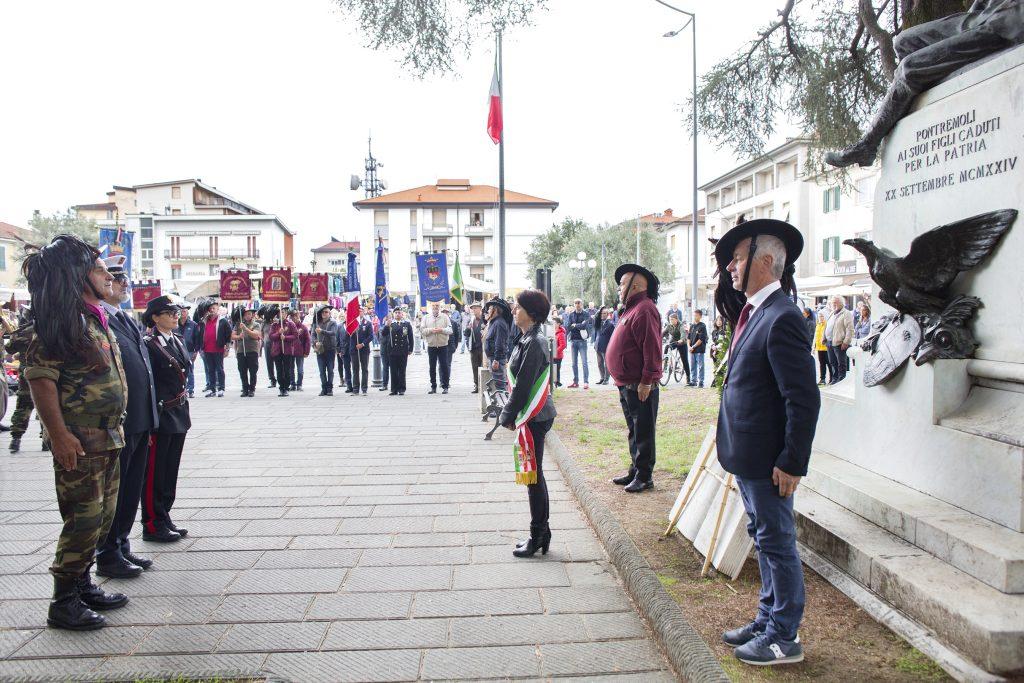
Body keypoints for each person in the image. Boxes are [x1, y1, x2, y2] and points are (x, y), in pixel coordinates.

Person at [713, 217, 820, 666]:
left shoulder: (783, 317)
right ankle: (767, 618)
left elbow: (803, 398)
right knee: (763, 538)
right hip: (748, 457)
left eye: (738, 258)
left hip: (770, 461)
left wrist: (793, 461)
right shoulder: (755, 312)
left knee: (777, 543)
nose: (731, 269)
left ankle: (784, 636)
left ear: (768, 261)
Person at [22, 234, 130, 631]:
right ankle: (63, 602)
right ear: (77, 274)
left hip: (108, 436)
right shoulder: (61, 322)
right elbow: (40, 378)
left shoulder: (94, 318)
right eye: (100, 269)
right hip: (80, 440)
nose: (107, 276)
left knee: (102, 518)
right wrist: (60, 434)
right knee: (82, 521)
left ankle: (83, 584)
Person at [827, 0, 1024, 168]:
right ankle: (921, 101)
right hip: (986, 14)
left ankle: (867, 145)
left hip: (1009, 24)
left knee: (909, 68)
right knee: (903, 42)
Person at [95, 254, 161, 574]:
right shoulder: (97, 319)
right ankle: (107, 552)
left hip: (139, 419)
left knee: (132, 487)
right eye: (117, 277)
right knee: (115, 491)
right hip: (119, 421)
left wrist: (151, 417)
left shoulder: (122, 318)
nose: (123, 284)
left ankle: (121, 543)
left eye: (126, 279)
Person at [499, 289, 557, 558]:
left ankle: (538, 535)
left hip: (536, 417)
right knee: (535, 476)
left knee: (534, 477)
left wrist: (506, 416)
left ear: (531, 313)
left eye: (518, 307)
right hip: (532, 416)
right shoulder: (526, 338)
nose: (513, 311)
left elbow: (523, 386)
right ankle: (541, 533)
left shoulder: (535, 342)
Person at [140, 296, 193, 548]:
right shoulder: (149, 345)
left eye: (176, 312)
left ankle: (165, 515)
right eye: (169, 312)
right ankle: (152, 522)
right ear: (154, 317)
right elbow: (146, 384)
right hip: (161, 415)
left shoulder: (177, 340)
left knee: (170, 469)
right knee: (155, 472)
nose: (175, 315)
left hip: (178, 413)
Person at [607, 264, 663, 493]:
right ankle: (635, 469)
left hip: (639, 385)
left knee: (644, 431)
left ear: (636, 286)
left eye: (622, 284)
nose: (619, 288)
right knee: (635, 429)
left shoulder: (645, 309)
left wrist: (647, 380)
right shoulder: (632, 308)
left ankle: (644, 476)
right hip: (626, 383)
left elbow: (652, 348)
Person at [8, 309, 45, 453]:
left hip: (27, 376)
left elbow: (9, 348)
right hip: (45, 375)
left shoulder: (24, 331)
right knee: (47, 407)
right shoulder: (48, 330)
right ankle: (45, 441)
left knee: (23, 407)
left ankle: (15, 439)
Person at [192, 299, 230, 397]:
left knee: (219, 369)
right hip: (207, 349)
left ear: (217, 309)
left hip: (218, 349)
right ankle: (212, 389)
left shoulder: (223, 321)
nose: (212, 310)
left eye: (214, 308)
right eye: (210, 309)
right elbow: (200, 333)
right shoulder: (204, 321)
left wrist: (227, 348)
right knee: (210, 369)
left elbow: (228, 335)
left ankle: (221, 388)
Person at [420, 301, 452, 394]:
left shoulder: (445, 317)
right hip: (431, 345)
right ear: (431, 307)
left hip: (443, 345)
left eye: (437, 306)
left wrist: (441, 330)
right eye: (433, 306)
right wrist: (431, 330)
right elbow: (422, 330)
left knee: (444, 366)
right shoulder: (426, 317)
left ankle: (445, 386)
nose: (435, 307)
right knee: (432, 367)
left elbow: (450, 330)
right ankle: (433, 386)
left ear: (440, 307)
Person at [231, 306, 262, 397]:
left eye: (249, 314)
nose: (248, 316)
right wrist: (239, 337)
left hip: (252, 350)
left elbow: (256, 336)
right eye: (246, 314)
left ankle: (252, 389)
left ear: (252, 315)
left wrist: (246, 329)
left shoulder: (256, 324)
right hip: (241, 350)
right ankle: (245, 388)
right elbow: (232, 336)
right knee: (242, 371)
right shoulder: (238, 324)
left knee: (253, 371)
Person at [483, 298, 512, 393]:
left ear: (495, 310)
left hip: (497, 360)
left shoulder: (499, 323)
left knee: (500, 385)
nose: (488, 310)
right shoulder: (494, 322)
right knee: (498, 384)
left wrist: (496, 360)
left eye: (490, 308)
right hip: (493, 358)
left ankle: (503, 405)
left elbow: (500, 343)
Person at [383, 307, 414, 395]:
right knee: (393, 371)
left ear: (402, 314)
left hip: (403, 351)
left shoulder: (406, 324)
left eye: (399, 312)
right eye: (396, 312)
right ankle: (394, 389)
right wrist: (386, 326)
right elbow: (383, 334)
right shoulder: (390, 324)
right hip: (392, 351)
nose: (397, 314)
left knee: (402, 370)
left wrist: (410, 348)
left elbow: (410, 337)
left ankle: (402, 389)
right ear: (393, 314)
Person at [825, 296, 854, 384]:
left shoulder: (846, 313)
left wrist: (846, 342)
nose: (834, 304)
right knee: (832, 362)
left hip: (840, 342)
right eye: (833, 303)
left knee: (841, 363)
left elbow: (850, 329)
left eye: (836, 302)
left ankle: (841, 380)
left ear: (841, 303)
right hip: (830, 342)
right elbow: (827, 326)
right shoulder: (832, 313)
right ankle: (834, 379)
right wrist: (824, 338)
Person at [564, 298, 591, 389]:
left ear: (582, 304)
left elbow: (584, 325)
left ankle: (586, 382)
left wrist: (575, 325)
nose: (577, 304)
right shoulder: (571, 314)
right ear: (574, 304)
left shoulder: (586, 314)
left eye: (579, 303)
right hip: (573, 341)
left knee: (584, 362)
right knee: (573, 363)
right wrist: (577, 325)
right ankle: (575, 382)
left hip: (582, 341)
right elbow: (568, 327)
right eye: (575, 303)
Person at [268, 308, 296, 397]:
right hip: (277, 350)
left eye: (283, 312)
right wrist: (278, 333)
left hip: (287, 350)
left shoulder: (291, 324)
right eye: (280, 313)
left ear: (286, 314)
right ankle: (281, 388)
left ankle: (286, 387)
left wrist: (286, 338)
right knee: (279, 370)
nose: (282, 314)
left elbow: (295, 335)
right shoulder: (274, 325)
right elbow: (271, 336)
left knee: (287, 370)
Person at [312, 305, 338, 396]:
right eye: (323, 312)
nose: (324, 314)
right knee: (322, 371)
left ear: (329, 313)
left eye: (326, 312)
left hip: (330, 349)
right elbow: (312, 335)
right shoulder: (316, 322)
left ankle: (330, 388)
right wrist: (315, 342)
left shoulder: (333, 323)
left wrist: (322, 331)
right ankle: (324, 388)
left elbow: (333, 333)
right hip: (320, 350)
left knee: (330, 370)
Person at [349, 307, 373, 395]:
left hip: (364, 349)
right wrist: (352, 332)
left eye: (361, 311)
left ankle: (364, 389)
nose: (359, 312)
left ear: (364, 312)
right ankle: (355, 389)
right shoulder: (352, 323)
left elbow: (371, 336)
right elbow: (348, 336)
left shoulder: (368, 323)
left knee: (364, 369)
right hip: (354, 349)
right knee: (355, 369)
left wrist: (362, 344)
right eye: (357, 311)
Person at [662, 313, 690, 386]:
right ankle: (666, 362)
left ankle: (688, 377)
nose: (670, 321)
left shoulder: (681, 325)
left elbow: (683, 333)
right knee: (667, 346)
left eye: (672, 319)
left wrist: (682, 339)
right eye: (670, 319)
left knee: (685, 360)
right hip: (674, 341)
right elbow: (663, 333)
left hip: (681, 343)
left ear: (676, 319)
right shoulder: (669, 326)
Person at [176, 308, 199, 397]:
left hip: (189, 350)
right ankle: (182, 390)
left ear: (187, 312)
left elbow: (197, 338)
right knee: (179, 371)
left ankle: (190, 389)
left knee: (189, 371)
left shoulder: (193, 324)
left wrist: (196, 351)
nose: (182, 313)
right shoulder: (175, 324)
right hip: (177, 350)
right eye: (181, 311)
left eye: (184, 311)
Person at [464, 302, 484, 393]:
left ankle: (483, 385)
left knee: (483, 367)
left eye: (476, 308)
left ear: (480, 309)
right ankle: (476, 385)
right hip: (474, 348)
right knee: (475, 367)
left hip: (483, 348)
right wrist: (468, 328)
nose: (474, 310)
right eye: (473, 308)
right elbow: (466, 334)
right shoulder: (470, 320)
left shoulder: (485, 319)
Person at [289, 310, 310, 391]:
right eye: (293, 316)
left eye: (296, 316)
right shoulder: (289, 326)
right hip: (290, 351)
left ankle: (299, 384)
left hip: (300, 351)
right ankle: (292, 384)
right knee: (291, 369)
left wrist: (306, 351)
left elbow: (307, 340)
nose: (294, 318)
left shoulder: (303, 327)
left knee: (300, 369)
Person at [688, 309, 709, 388]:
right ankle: (693, 381)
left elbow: (701, 339)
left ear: (700, 316)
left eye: (696, 315)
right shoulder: (692, 326)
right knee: (693, 366)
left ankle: (701, 381)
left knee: (700, 366)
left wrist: (693, 347)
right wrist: (689, 346)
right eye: (694, 315)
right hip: (691, 349)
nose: (695, 317)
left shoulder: (702, 326)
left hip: (699, 349)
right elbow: (688, 337)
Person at [595, 306, 615, 385]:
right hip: (598, 346)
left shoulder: (610, 324)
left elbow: (612, 337)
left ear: (608, 314)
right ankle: (602, 377)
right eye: (602, 313)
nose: (602, 315)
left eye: (604, 313)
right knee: (599, 363)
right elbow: (595, 317)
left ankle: (606, 379)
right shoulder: (598, 323)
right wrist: (600, 309)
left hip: (606, 347)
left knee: (607, 364)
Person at [336, 313, 353, 393]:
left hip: (353, 351)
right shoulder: (339, 326)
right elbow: (337, 340)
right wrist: (338, 351)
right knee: (347, 369)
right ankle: (349, 386)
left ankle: (355, 385)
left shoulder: (354, 325)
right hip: (344, 351)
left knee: (355, 369)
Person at [813, 311, 830, 386]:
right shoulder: (818, 325)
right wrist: (814, 347)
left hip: (826, 348)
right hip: (819, 348)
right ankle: (822, 379)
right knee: (821, 364)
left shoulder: (827, 325)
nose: (821, 318)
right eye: (819, 316)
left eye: (822, 316)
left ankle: (832, 378)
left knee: (829, 363)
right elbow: (815, 337)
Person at [552, 316, 566, 387]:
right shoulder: (552, 332)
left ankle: (556, 383)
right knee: (553, 370)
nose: (553, 324)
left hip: (558, 356)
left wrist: (555, 351)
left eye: (554, 323)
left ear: (558, 324)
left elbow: (563, 345)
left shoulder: (561, 334)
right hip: (552, 355)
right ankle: (555, 383)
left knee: (556, 370)